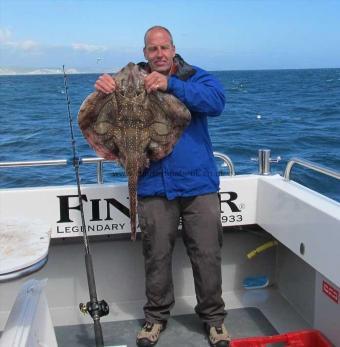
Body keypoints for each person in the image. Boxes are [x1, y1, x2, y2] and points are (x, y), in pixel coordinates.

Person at [95, 26, 229, 347]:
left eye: (164, 48)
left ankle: (214, 320)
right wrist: (102, 90)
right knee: (156, 255)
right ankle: (155, 317)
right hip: (153, 183)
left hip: (199, 184)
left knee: (207, 254)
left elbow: (216, 102)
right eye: (152, 49)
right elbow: (100, 114)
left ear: (173, 49)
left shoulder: (194, 76)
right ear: (145, 53)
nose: (159, 54)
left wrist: (172, 85)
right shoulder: (128, 79)